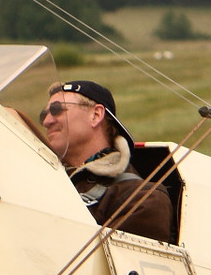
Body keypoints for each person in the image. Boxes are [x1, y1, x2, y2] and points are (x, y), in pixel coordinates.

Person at [39, 80, 174, 243]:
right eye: (43, 115)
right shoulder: (41, 181)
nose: (47, 121)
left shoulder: (143, 198)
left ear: (95, 115)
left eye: (57, 109)